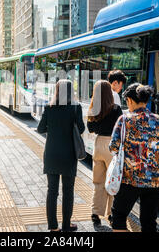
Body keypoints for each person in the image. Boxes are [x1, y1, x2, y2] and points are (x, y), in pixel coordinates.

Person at [109, 83, 159, 233]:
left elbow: (113, 147)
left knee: (119, 216)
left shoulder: (124, 120)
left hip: (131, 178)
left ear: (129, 100)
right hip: (156, 179)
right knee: (149, 221)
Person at [37, 80, 85, 232]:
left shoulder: (49, 108)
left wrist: (53, 129)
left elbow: (40, 129)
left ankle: (53, 227)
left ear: (56, 91)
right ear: (71, 92)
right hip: (69, 154)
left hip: (51, 153)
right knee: (68, 191)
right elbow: (82, 128)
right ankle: (66, 225)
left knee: (52, 190)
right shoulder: (76, 108)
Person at [87, 80, 122, 227]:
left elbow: (90, 128)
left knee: (98, 181)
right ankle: (111, 214)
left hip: (98, 144)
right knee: (113, 180)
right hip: (112, 146)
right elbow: (120, 129)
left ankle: (95, 213)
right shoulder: (116, 108)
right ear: (110, 92)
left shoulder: (93, 109)